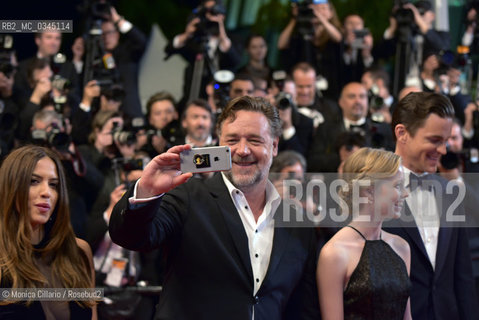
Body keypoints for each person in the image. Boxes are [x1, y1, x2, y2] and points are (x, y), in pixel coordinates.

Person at [109, 96, 320, 319]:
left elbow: (302, 307)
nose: (243, 150)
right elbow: (130, 237)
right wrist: (147, 191)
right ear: (219, 144)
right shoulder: (187, 197)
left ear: (274, 146)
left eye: (255, 140)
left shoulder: (297, 220)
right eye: (232, 140)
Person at [385, 91, 478, 319]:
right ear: (402, 133)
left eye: (446, 142)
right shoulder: (372, 193)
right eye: (435, 140)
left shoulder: (449, 192)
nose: (444, 151)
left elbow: (462, 274)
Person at [0, 145, 96, 319]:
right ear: (10, 187)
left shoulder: (78, 252)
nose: (47, 193)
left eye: (53, 185)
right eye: (34, 181)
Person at [317, 147, 411, 319]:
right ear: (369, 190)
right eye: (398, 186)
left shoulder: (401, 247)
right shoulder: (334, 253)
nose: (405, 193)